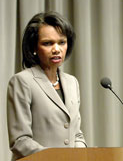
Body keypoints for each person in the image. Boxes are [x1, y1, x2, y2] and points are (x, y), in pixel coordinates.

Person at [7, 11, 87, 161]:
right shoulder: (22, 81)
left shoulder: (72, 83)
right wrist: (57, 157)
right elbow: (20, 141)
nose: (56, 49)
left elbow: (76, 133)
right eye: (48, 43)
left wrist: (82, 154)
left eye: (61, 42)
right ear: (34, 48)